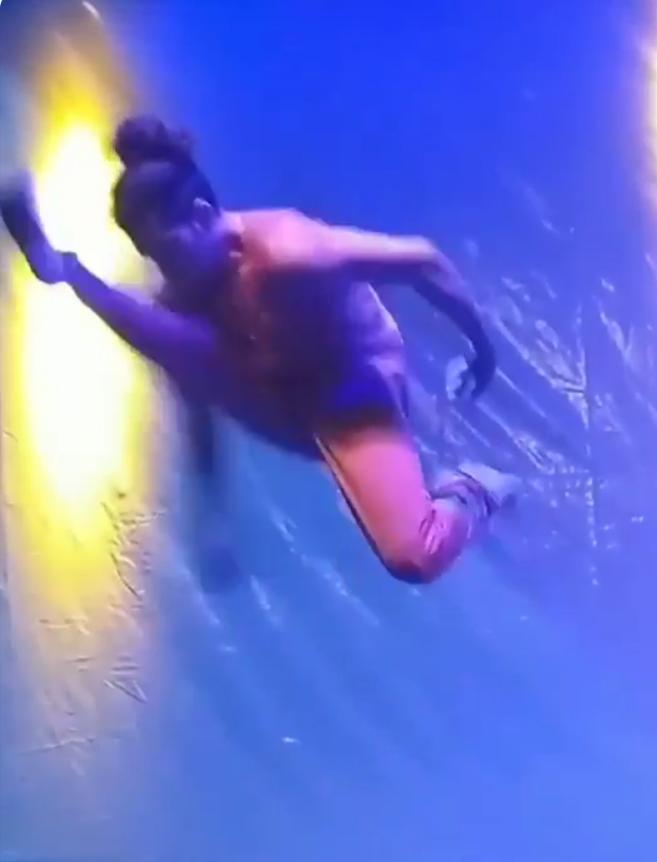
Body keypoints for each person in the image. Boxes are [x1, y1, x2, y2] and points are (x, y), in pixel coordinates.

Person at [0, 116, 519, 584]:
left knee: (413, 557)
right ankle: (60, 268)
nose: (166, 270)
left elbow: (423, 259)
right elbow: (197, 404)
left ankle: (475, 488)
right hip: (277, 392)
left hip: (350, 383)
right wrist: (212, 515)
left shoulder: (291, 253)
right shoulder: (185, 295)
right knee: (178, 340)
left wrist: (482, 349)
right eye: (153, 256)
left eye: (170, 252)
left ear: (202, 215)